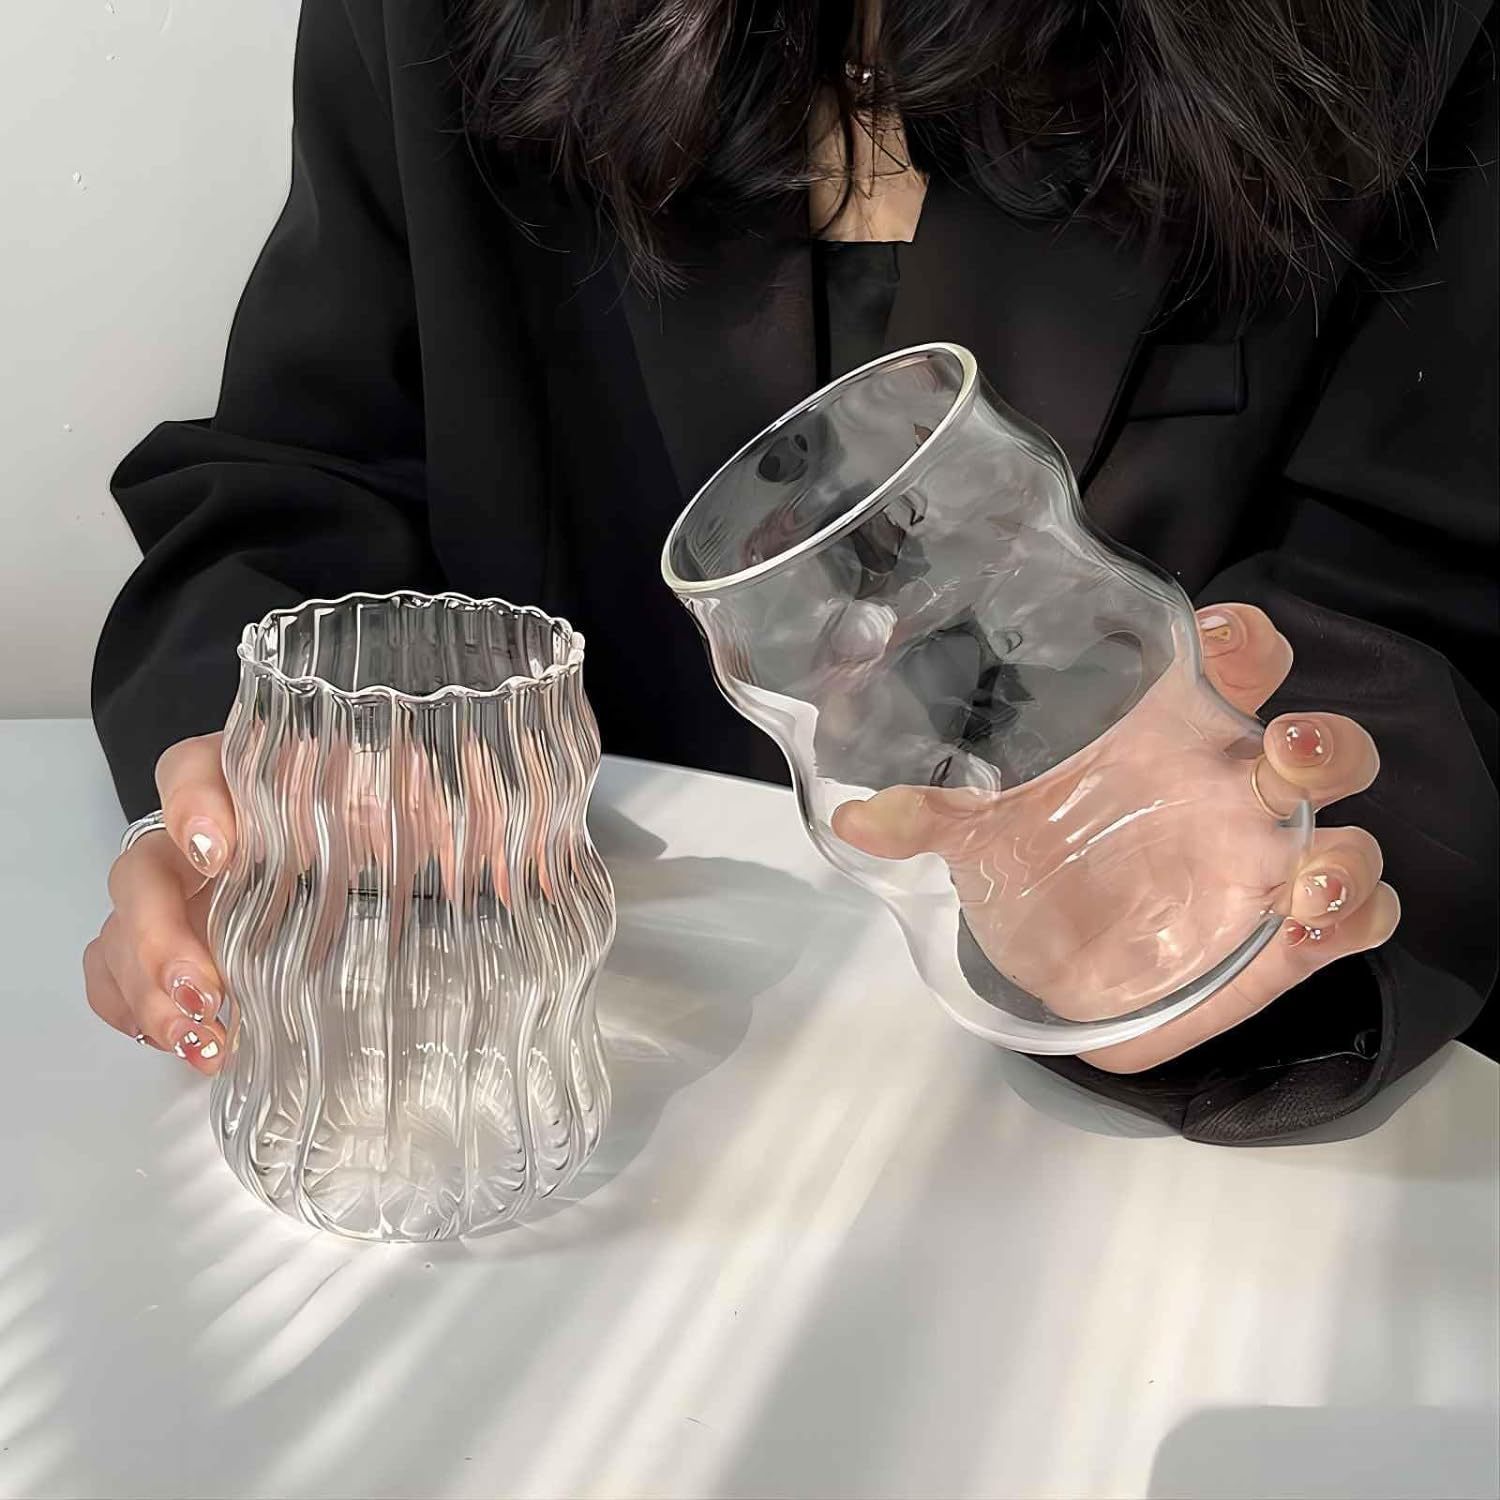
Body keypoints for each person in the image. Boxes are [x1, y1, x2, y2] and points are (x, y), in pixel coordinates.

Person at [85, 0, 1497, 1143]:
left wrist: (1254, 914)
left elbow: (1436, 590)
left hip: (1105, 1167)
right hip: (579, 1067)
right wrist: (257, 774)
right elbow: (312, 469)